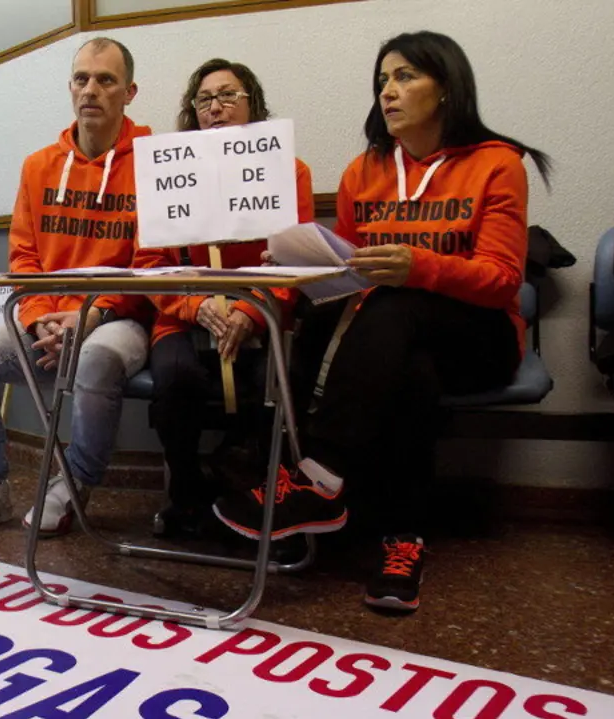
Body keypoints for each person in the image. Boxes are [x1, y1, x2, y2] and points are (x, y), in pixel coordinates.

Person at [213, 31, 552, 613]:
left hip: (479, 337)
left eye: (404, 78)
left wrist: (415, 265)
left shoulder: (496, 164)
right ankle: (402, 540)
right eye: (381, 82)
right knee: (401, 367)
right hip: (394, 344)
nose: (387, 93)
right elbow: (349, 272)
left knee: (396, 306)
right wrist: (304, 263)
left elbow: (501, 279)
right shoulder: (363, 171)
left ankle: (317, 478)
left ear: (446, 88)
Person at [0, 37, 151, 538]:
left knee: (98, 358)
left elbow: (150, 266)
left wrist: (90, 317)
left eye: (106, 80)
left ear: (130, 92)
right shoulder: (38, 166)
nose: (91, 90)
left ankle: (74, 482)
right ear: (70, 88)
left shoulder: (153, 161)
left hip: (117, 320)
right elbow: (24, 260)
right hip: (47, 319)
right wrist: (40, 320)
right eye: (81, 79)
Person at [133, 59, 316, 538]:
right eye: (204, 100)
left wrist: (251, 310)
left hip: (260, 317)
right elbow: (149, 266)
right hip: (184, 318)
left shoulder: (289, 172)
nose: (215, 108)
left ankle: (257, 492)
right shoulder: (162, 174)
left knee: (275, 381)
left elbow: (296, 263)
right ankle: (188, 491)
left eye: (229, 96)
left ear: (253, 104)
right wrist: (196, 307)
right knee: (173, 380)